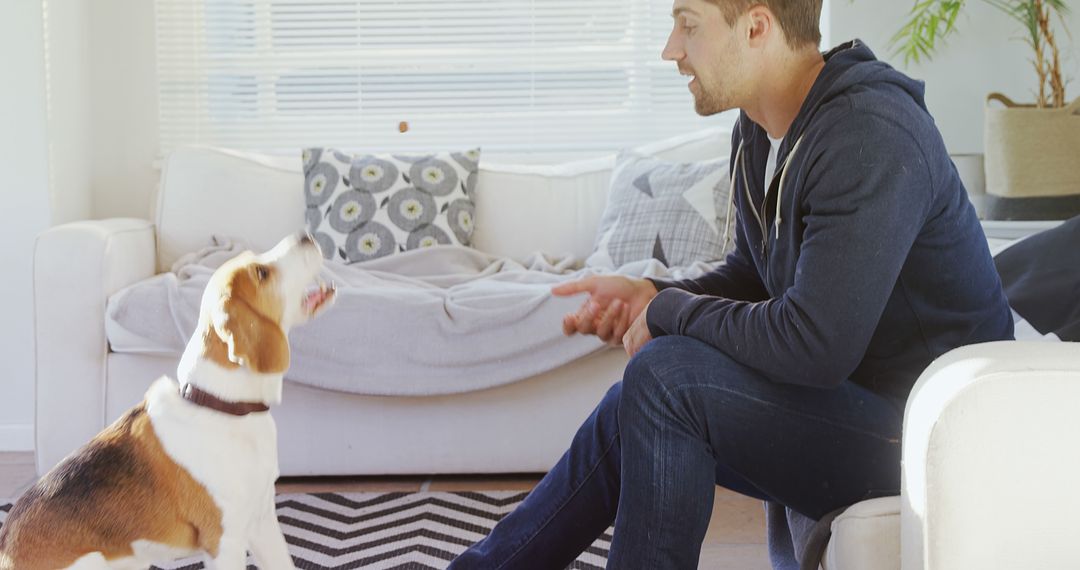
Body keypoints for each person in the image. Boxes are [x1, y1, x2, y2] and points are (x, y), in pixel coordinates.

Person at [449, 0, 1013, 567]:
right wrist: (654, 295)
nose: (671, 49)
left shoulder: (870, 133)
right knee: (642, 393)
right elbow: (754, 274)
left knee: (667, 380)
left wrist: (671, 310)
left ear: (757, 27)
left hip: (932, 432)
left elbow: (817, 345)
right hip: (864, 405)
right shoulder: (761, 129)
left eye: (688, 25)